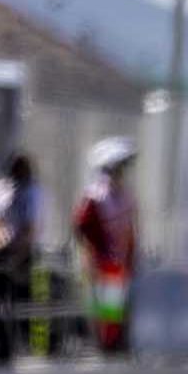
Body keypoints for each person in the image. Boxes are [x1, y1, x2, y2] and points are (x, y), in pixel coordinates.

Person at [74, 137, 138, 354]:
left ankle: (116, 344)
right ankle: (104, 345)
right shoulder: (95, 197)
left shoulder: (127, 196)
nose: (121, 173)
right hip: (101, 263)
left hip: (119, 263)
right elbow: (82, 229)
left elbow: (130, 230)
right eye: (118, 168)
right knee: (104, 308)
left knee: (118, 307)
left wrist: (131, 257)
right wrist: (92, 256)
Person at [0, 153, 42, 362]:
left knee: (21, 300)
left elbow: (32, 226)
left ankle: (25, 345)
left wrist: (19, 254)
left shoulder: (33, 191)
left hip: (23, 254)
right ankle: (2, 346)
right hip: (2, 252)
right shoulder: (2, 188)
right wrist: (0, 243)